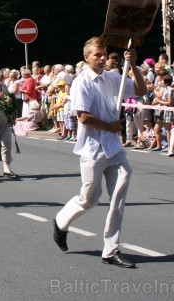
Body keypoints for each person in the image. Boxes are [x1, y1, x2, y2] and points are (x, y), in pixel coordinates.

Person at [52, 37, 147, 268]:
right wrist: (111, 126)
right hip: (93, 150)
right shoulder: (81, 83)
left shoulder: (114, 77)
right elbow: (83, 117)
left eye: (105, 53)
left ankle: (111, 249)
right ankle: (60, 222)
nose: (103, 58)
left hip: (114, 149)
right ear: (87, 57)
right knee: (89, 200)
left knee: (118, 197)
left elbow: (141, 90)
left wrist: (133, 64)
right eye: (98, 54)